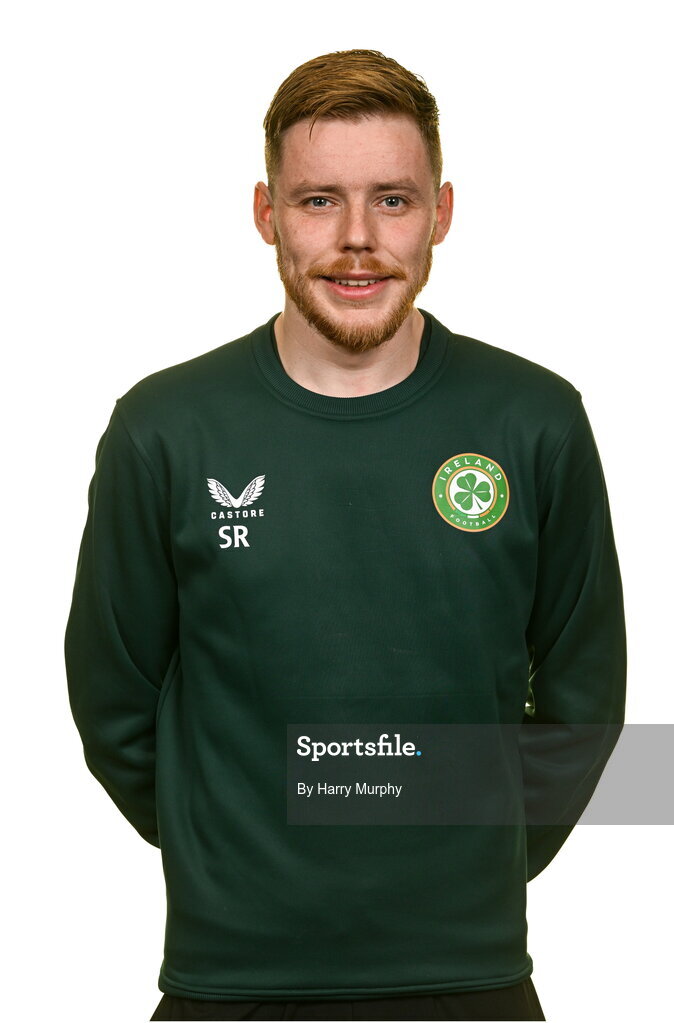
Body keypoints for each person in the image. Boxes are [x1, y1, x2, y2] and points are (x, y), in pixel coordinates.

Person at [64, 49, 626, 1022]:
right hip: (228, 988)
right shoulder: (163, 428)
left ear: (442, 213)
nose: (356, 240)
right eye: (319, 200)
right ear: (264, 213)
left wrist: (462, 846)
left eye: (392, 201)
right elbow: (113, 705)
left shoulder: (535, 421)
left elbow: (584, 703)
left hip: (473, 981)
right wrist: (233, 845)